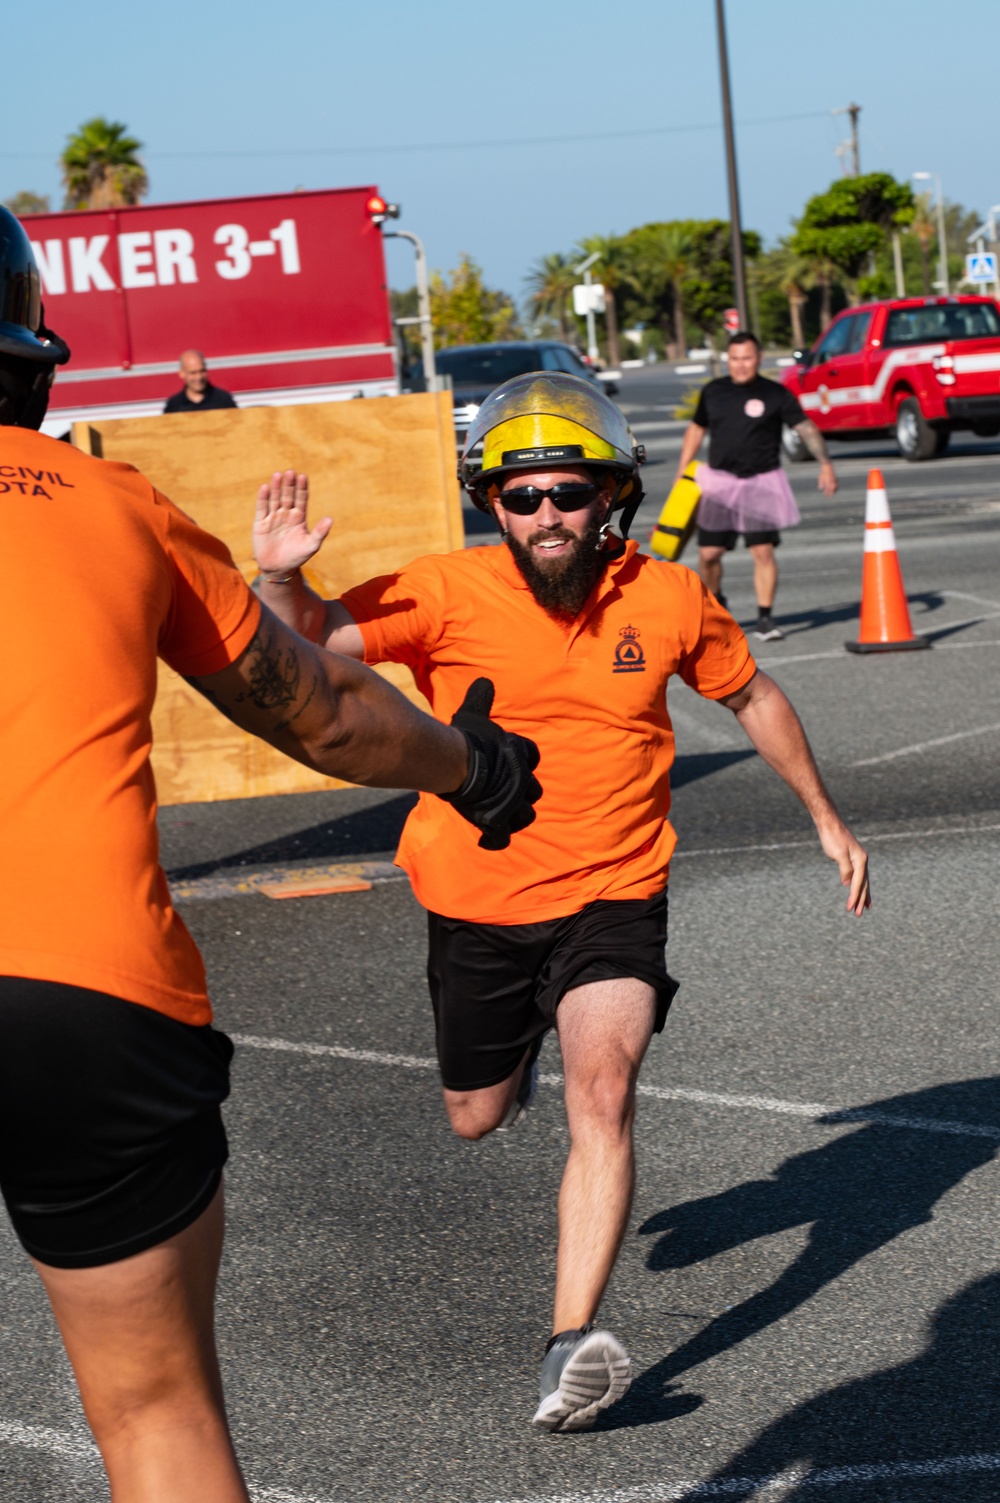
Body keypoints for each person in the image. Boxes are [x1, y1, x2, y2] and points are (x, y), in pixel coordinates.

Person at [0, 206, 539, 1503]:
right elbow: (315, 704)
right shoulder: (99, 494)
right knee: (155, 1414)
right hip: (77, 985)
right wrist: (472, 767)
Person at [252, 371, 870, 1434]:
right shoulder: (442, 592)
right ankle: (513, 1057)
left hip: (613, 896)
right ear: (490, 503)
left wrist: (823, 813)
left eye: (567, 493)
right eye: (520, 495)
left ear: (611, 496)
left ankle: (566, 1346)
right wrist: (279, 585)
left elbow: (753, 693)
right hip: (475, 900)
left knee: (606, 1089)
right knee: (474, 1116)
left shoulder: (668, 596)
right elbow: (308, 654)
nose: (545, 515)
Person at [674, 330, 838, 642]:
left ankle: (765, 618)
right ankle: (716, 605)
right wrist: (683, 472)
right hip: (719, 483)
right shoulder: (714, 391)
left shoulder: (775, 394)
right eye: (734, 359)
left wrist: (826, 464)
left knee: (762, 551)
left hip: (761, 482)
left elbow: (805, 428)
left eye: (747, 358)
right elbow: (696, 430)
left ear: (759, 359)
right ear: (728, 360)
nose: (740, 365)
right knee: (709, 554)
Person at [163, 348, 238, 413]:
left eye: (202, 371)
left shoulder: (223, 400)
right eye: (193, 373)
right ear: (181, 373)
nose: (199, 377)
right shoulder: (174, 405)